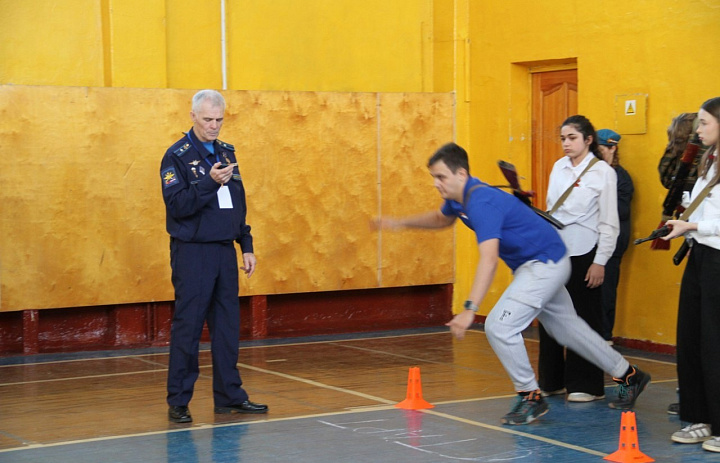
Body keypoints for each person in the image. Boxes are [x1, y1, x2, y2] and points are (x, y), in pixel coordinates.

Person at [372, 142, 650, 425]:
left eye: (441, 177)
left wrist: (470, 308)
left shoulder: (482, 202)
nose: (436, 183)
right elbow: (440, 218)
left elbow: (489, 259)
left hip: (544, 264)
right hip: (544, 263)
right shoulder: (459, 199)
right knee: (569, 330)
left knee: (498, 326)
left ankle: (531, 396)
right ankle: (629, 374)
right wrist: (400, 223)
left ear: (461, 174)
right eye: (433, 177)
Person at [160, 89, 268, 423]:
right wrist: (208, 183)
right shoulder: (175, 156)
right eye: (208, 119)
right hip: (193, 252)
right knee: (188, 327)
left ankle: (229, 396)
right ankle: (178, 400)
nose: (214, 126)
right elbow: (177, 206)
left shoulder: (226, 151)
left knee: (227, 327)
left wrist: (245, 244)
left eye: (219, 120)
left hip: (223, 251)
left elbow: (237, 202)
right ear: (192, 116)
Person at [538, 116, 620, 403]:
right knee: (550, 313)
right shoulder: (558, 168)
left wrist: (601, 261)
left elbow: (610, 222)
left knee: (585, 317)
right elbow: (552, 209)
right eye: (562, 138)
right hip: (556, 249)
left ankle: (586, 383)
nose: (565, 144)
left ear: (588, 140)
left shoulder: (603, 173)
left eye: (572, 137)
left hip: (586, 250)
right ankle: (551, 379)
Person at [662, 97, 720, 453]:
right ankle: (699, 417)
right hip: (700, 257)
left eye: (704, 123)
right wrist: (683, 226)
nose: (697, 131)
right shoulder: (707, 162)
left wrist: (694, 224)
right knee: (693, 338)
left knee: (716, 342)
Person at [596, 129, 634, 343]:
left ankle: (604, 336)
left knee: (606, 291)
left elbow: (621, 211)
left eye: (601, 151)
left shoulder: (621, 178)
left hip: (612, 242)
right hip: (591, 241)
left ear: (613, 149)